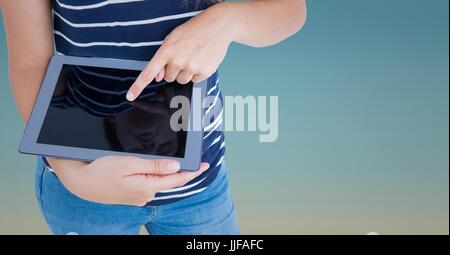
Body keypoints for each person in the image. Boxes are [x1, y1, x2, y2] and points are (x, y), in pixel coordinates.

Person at [0, 0, 307, 235]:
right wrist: (70, 171)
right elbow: (30, 64)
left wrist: (229, 19)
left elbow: (290, 10)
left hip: (199, 184)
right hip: (86, 180)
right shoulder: (77, 177)